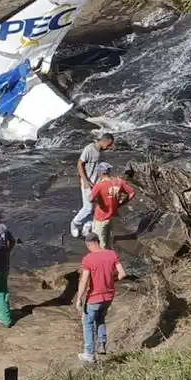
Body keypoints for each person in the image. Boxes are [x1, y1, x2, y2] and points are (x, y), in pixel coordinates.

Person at [75, 231, 126, 363]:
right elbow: (122, 274)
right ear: (98, 241)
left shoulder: (88, 259)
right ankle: (102, 344)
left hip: (94, 297)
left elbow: (84, 280)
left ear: (88, 244)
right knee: (101, 319)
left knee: (88, 323)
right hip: (109, 296)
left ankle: (89, 354)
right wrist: (111, 281)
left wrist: (79, 298)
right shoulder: (111, 254)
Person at [71, 133, 115, 238]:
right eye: (109, 145)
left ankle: (87, 228)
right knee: (88, 208)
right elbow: (79, 164)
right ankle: (75, 223)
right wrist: (85, 181)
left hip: (98, 183)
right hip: (88, 183)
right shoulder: (89, 149)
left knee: (96, 207)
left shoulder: (102, 152)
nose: (109, 147)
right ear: (104, 141)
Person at [88, 162, 137, 249]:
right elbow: (132, 193)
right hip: (112, 216)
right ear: (109, 171)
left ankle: (102, 261)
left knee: (99, 244)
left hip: (101, 217)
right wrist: (121, 203)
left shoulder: (99, 186)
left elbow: (90, 199)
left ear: (100, 173)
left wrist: (99, 201)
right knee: (109, 241)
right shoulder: (119, 182)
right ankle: (110, 258)